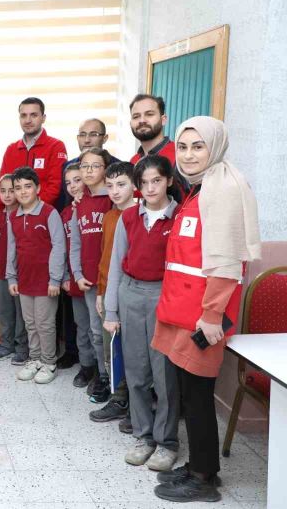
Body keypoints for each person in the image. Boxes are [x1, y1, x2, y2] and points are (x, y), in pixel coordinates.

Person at [152, 117, 260, 503]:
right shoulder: (200, 189)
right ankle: (202, 464)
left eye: (198, 146)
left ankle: (203, 478)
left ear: (215, 147)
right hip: (186, 310)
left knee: (198, 395)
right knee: (190, 393)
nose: (189, 154)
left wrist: (213, 315)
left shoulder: (224, 189)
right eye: (183, 146)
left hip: (204, 317)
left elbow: (227, 262)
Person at [103, 155, 182, 472]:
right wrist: (111, 308)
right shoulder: (129, 218)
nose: (150, 188)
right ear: (138, 186)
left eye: (157, 181)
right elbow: (115, 264)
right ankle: (144, 436)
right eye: (145, 182)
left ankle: (166, 442)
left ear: (169, 182)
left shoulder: (179, 217)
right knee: (135, 372)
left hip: (164, 295)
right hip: (130, 294)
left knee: (164, 375)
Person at [7, 166, 65, 384]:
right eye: (17, 188)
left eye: (28, 186)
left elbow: (59, 247)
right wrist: (11, 278)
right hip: (25, 280)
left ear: (38, 188)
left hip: (46, 282)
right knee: (30, 323)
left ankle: (49, 362)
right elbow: (12, 249)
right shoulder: (13, 217)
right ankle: (35, 359)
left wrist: (55, 279)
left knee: (45, 323)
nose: (22, 192)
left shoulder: (49, 213)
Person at [90, 161, 135, 422]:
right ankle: (118, 398)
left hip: (131, 294)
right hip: (109, 292)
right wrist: (100, 291)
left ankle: (133, 403)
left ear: (134, 184)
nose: (115, 191)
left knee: (133, 351)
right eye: (110, 186)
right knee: (112, 348)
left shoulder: (139, 214)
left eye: (121, 185)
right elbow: (105, 258)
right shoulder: (109, 217)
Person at [69, 147, 114, 402]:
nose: (88, 171)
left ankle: (111, 377)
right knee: (93, 332)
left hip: (108, 280)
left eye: (95, 166)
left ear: (105, 169)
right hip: (87, 280)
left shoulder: (113, 198)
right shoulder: (80, 202)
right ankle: (101, 373)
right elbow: (75, 243)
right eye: (84, 166)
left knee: (106, 332)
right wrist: (76, 274)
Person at [0, 97, 67, 236]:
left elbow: (55, 187)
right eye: (24, 115)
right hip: (14, 221)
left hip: (43, 220)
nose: (28, 120)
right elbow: (0, 186)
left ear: (43, 118)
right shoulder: (11, 149)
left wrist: (29, 210)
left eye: (33, 115)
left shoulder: (56, 146)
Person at [0, 174, 28, 365]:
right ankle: (6, 343)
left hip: (20, 273)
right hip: (2, 270)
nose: (8, 195)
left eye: (12, 190)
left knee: (21, 312)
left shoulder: (23, 214)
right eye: (3, 191)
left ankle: (21, 347)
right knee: (5, 310)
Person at [62, 165, 96, 387]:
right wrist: (66, 275)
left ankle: (102, 371)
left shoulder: (99, 205)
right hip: (75, 279)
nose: (73, 186)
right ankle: (86, 367)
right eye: (69, 182)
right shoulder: (65, 213)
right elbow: (64, 249)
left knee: (97, 329)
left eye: (77, 179)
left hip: (95, 279)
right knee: (82, 325)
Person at [129, 94, 175, 166]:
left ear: (163, 120)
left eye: (149, 114)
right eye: (136, 116)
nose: (142, 120)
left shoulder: (178, 155)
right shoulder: (133, 161)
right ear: (130, 123)